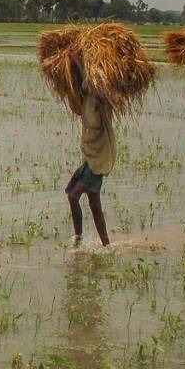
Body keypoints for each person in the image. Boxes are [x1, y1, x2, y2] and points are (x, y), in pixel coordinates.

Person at [65, 49, 115, 247]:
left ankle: (78, 239)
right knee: (94, 203)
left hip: (99, 160)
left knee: (73, 195)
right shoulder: (85, 100)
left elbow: (92, 85)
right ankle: (106, 244)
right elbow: (83, 88)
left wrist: (78, 61)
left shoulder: (102, 101)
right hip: (89, 159)